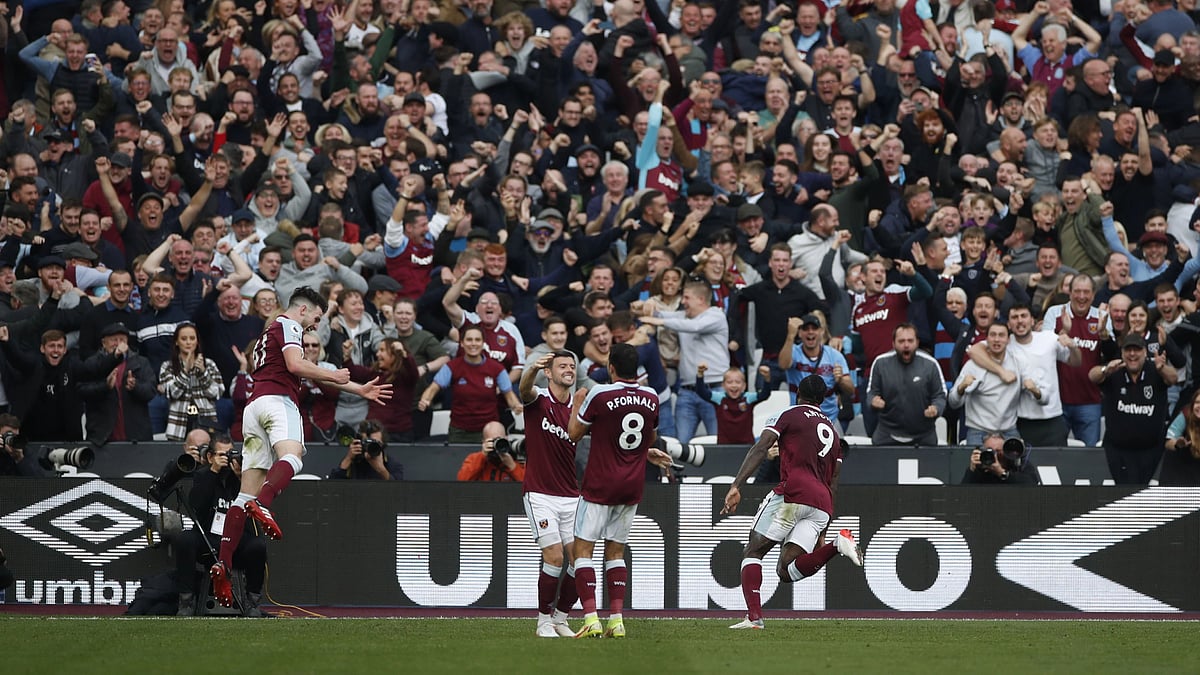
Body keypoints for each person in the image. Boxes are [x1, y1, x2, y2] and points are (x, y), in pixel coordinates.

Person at [210, 287, 392, 609]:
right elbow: (297, 366)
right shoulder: (289, 325)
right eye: (316, 319)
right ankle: (264, 503)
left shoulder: (269, 333)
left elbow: (304, 369)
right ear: (304, 310)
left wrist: (357, 388)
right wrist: (335, 373)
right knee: (293, 457)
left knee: (243, 495)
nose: (314, 327)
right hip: (278, 402)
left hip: (254, 407)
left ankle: (222, 563)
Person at [721, 375, 864, 630]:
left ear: (798, 393)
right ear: (823, 399)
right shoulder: (833, 432)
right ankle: (836, 545)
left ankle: (754, 618)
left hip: (793, 494)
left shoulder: (789, 414)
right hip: (822, 504)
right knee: (787, 571)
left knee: (753, 551)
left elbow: (761, 448)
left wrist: (736, 485)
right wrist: (824, 528)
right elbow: (834, 481)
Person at [566, 343, 673, 639]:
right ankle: (616, 620)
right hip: (631, 484)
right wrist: (645, 453)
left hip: (600, 483)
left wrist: (576, 404)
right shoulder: (651, 396)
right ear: (637, 369)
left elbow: (574, 434)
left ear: (610, 367)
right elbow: (649, 436)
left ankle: (591, 618)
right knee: (615, 552)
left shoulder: (600, 394)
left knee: (582, 551)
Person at [518, 350, 582, 638]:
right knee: (554, 557)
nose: (569, 370)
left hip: (571, 495)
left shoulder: (578, 408)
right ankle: (543, 621)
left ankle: (561, 618)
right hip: (540, 493)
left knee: (580, 560)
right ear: (548, 372)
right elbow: (524, 389)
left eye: (572, 366)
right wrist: (531, 368)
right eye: (562, 366)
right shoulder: (539, 399)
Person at [176, 438, 267, 617]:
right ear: (210, 457)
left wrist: (241, 478)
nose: (227, 459)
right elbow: (196, 505)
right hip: (208, 539)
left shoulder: (242, 477)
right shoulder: (203, 475)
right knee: (185, 539)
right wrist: (213, 472)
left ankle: (252, 601)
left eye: (230, 454)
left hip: (236, 542)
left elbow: (256, 506)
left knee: (258, 545)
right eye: (222, 455)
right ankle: (186, 601)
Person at [1090, 333, 1176, 485]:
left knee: (1145, 495)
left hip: (1151, 451)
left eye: (1136, 350)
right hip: (1117, 451)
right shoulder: (1114, 370)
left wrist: (1162, 368)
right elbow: (1092, 376)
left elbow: (1173, 378)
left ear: (1145, 352)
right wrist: (1105, 370)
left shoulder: (1155, 370)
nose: (1132, 354)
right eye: (1128, 350)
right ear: (1122, 353)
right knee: (1121, 494)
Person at [949, 323, 1049, 446]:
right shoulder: (972, 365)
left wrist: (1035, 390)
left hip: (1008, 431)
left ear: (1008, 340)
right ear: (986, 339)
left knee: (1022, 458)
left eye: (1001, 335)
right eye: (993, 335)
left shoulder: (1018, 363)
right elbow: (953, 403)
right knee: (975, 460)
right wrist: (961, 388)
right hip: (978, 431)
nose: (997, 339)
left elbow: (1045, 400)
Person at [867, 324, 947, 446]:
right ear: (893, 343)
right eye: (901, 341)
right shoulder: (880, 363)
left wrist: (936, 408)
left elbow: (940, 395)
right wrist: (873, 401)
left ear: (917, 342)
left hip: (924, 436)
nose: (906, 345)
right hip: (887, 435)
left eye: (910, 341)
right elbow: (871, 393)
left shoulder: (931, 364)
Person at [158, 323, 224, 441]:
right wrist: (185, 371)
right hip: (178, 426)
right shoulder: (167, 366)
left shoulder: (209, 364)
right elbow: (173, 393)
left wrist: (203, 373)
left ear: (197, 341)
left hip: (206, 423)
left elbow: (216, 393)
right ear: (176, 342)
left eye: (192, 338)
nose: (188, 342)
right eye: (184, 339)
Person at [328, 419, 404, 480]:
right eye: (366, 442)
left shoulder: (392, 464)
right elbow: (331, 486)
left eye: (375, 442)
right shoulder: (352, 462)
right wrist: (348, 459)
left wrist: (381, 470)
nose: (370, 446)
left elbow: (398, 490)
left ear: (383, 444)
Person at [457, 421, 525, 481]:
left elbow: (528, 485)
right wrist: (482, 456)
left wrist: (512, 465)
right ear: (484, 442)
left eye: (500, 440)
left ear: (506, 439)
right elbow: (462, 481)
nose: (496, 444)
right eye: (492, 441)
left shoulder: (516, 458)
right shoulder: (474, 458)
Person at [961, 433, 1041, 484]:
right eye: (990, 450)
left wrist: (1001, 472)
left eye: (998, 451)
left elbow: (1032, 486)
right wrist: (972, 470)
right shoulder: (980, 467)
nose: (994, 455)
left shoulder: (1017, 464)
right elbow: (962, 494)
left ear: (1006, 450)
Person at [1163, 390, 1200, 486]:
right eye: (1197, 402)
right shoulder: (1185, 415)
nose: (1199, 406)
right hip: (1182, 468)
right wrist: (1177, 444)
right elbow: (1168, 442)